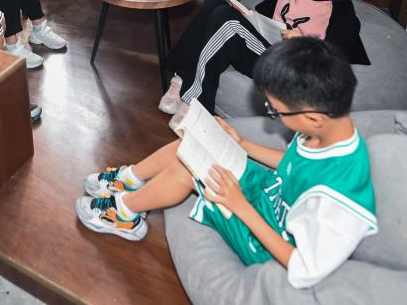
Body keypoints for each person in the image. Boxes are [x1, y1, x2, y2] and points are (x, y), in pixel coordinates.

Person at [76, 38, 378, 289]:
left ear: (313, 118)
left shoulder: (338, 201)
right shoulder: (327, 131)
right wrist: (242, 145)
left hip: (269, 239)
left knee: (190, 169)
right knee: (195, 144)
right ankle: (130, 179)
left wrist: (239, 205)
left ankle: (126, 213)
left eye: (275, 111)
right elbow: (294, 164)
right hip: (271, 197)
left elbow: (303, 268)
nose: (273, 116)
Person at [159, 0, 369, 115]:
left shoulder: (343, 15)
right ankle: (182, 77)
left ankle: (195, 103)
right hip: (266, 44)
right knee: (214, 3)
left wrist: (304, 44)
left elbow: (331, 66)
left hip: (288, 65)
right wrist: (247, 15)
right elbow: (262, 13)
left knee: (227, 21)